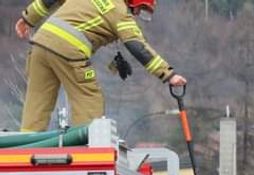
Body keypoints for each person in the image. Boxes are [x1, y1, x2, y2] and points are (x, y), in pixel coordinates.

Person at [14, 0, 186, 132]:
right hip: (69, 52)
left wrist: (27, 18)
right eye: (139, 9)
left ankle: (25, 149)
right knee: (89, 98)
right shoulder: (119, 12)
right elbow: (137, 46)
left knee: (37, 102)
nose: (136, 14)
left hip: (40, 45)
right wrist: (169, 75)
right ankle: (84, 149)